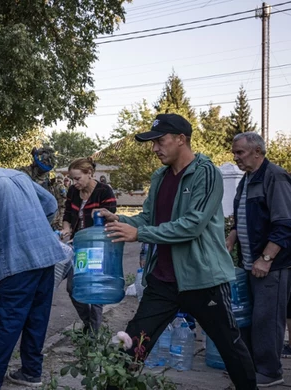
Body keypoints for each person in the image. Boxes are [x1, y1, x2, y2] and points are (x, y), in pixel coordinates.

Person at [97, 113, 257, 390]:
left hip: (203, 279)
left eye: (160, 140)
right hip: (163, 280)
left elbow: (192, 225)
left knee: (230, 346)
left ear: (181, 139)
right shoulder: (160, 176)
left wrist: (140, 234)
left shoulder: (206, 173)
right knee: (133, 341)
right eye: (153, 142)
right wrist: (119, 219)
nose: (155, 148)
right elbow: (148, 219)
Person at [0, 146, 65, 390]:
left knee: (8, 320)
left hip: (16, 262)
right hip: (46, 256)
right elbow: (50, 204)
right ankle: (31, 372)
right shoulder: (18, 176)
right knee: (36, 319)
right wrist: (33, 224)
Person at [226, 131, 291, 387]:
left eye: (240, 152)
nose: (236, 157)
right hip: (251, 262)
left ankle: (271, 372)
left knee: (267, 318)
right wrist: (231, 237)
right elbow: (241, 215)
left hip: (273, 265)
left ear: (258, 152)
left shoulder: (274, 176)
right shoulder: (247, 179)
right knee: (252, 316)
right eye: (235, 153)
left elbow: (285, 224)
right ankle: (254, 366)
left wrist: (266, 258)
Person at [60, 157, 117, 333]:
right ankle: (88, 323)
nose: (74, 182)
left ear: (89, 173)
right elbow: (68, 214)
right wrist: (66, 229)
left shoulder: (104, 191)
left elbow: (111, 217)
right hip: (76, 246)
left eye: (78, 178)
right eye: (72, 179)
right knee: (73, 287)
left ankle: (94, 331)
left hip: (98, 247)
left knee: (94, 289)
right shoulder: (72, 192)